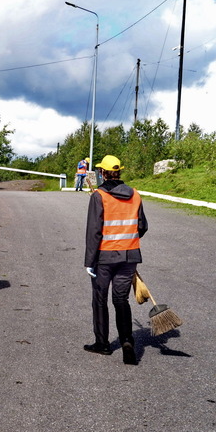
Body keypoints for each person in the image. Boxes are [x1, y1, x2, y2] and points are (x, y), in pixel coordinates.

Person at [83, 155, 148, 365]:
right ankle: (127, 341)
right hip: (129, 256)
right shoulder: (135, 194)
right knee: (121, 299)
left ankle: (102, 344)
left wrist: (89, 262)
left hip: (104, 257)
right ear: (119, 172)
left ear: (102, 173)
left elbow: (94, 232)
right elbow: (142, 226)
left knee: (100, 299)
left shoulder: (99, 196)